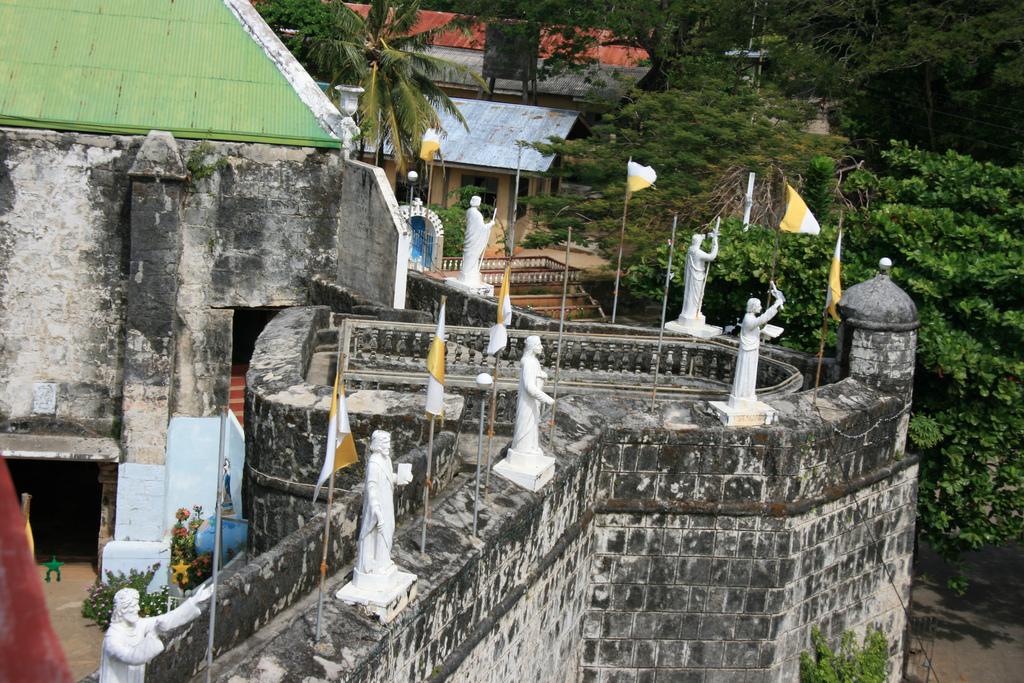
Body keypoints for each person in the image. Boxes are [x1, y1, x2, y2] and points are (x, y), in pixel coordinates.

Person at [99, 583, 212, 683]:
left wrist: (192, 602)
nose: (138, 608)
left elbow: (166, 619)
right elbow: (131, 657)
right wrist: (152, 636)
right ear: (121, 609)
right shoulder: (112, 638)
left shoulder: (137, 625)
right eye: (133, 606)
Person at [354, 431, 413, 586]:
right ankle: (376, 565)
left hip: (387, 503)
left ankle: (383, 561)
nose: (388, 446)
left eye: (389, 442)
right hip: (378, 505)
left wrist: (400, 478)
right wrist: (376, 510)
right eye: (385, 443)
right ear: (378, 444)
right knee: (377, 533)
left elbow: (388, 478)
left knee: (388, 530)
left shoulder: (385, 459)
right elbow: (371, 487)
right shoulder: (374, 463)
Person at [730, 283, 785, 407]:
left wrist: (764, 333)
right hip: (748, 351)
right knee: (746, 374)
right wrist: (775, 305)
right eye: (759, 306)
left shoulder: (751, 318)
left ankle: (747, 394)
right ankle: (743, 395)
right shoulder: (749, 319)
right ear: (753, 307)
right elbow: (762, 319)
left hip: (752, 349)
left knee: (750, 374)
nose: (760, 308)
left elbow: (755, 330)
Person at [509, 336, 555, 457]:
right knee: (526, 427)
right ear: (532, 347)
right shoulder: (529, 362)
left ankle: (530, 448)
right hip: (527, 402)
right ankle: (522, 450)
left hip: (533, 402)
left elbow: (534, 378)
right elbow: (529, 387)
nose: (541, 347)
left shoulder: (533, 361)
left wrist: (541, 375)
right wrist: (547, 399)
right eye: (539, 345)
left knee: (532, 425)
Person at [677, 229, 719, 323]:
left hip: (693, 276)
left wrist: (711, 237)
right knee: (695, 296)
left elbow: (701, 238)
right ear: (699, 242)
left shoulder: (690, 249)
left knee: (692, 295)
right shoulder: (698, 252)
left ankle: (693, 311)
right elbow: (711, 257)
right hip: (696, 277)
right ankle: (691, 313)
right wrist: (715, 242)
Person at [459, 196, 496, 287]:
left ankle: (468, 272)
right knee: (473, 256)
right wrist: (491, 224)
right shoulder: (477, 214)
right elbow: (482, 228)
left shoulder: (469, 211)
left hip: (470, 237)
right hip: (474, 239)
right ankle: (468, 272)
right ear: (478, 203)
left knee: (470, 256)